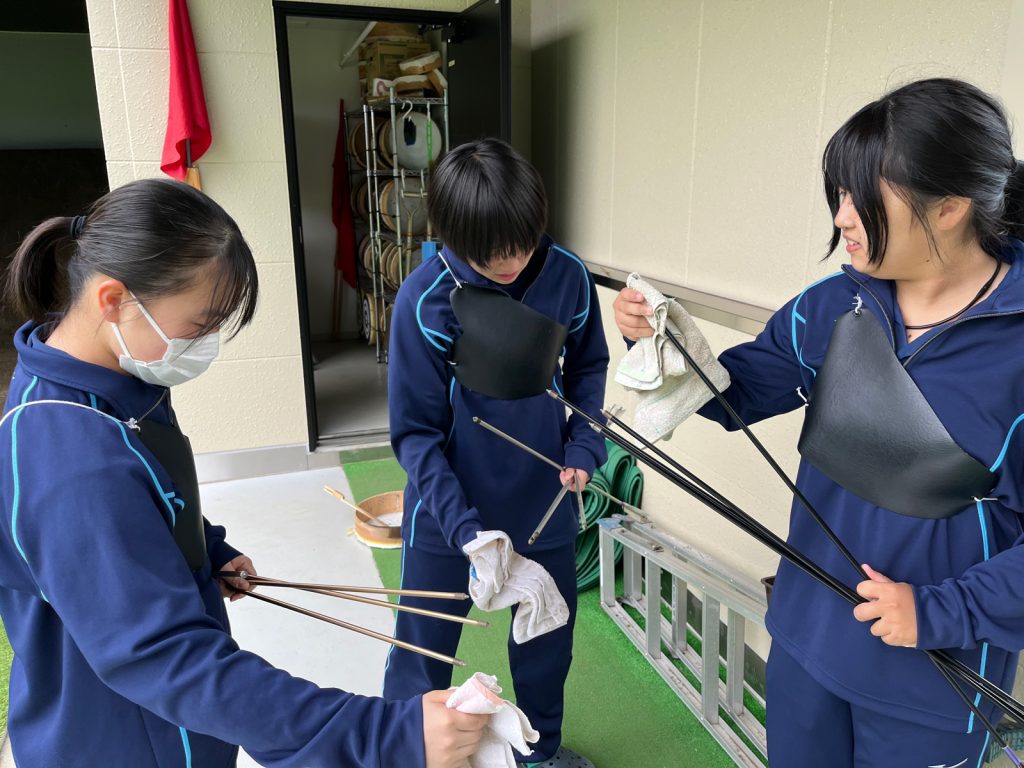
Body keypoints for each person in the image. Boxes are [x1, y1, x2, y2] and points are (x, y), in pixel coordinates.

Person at [0, 178, 488, 768]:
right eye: (200, 324)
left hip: (179, 731)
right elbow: (170, 659)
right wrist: (383, 734)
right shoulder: (68, 460)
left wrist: (205, 549)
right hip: (121, 743)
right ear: (114, 299)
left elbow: (148, 498)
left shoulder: (115, 379)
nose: (207, 344)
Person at [614, 78, 1024, 767]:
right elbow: (735, 395)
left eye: (863, 197)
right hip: (806, 642)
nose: (842, 217)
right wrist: (664, 350)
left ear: (950, 207)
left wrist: (937, 612)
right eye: (838, 194)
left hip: (932, 682)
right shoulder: (835, 303)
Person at [383, 138, 609, 768]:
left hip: (545, 501)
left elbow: (589, 367)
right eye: (488, 251)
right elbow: (416, 435)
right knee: (423, 652)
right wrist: (465, 532)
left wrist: (585, 444)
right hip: (447, 515)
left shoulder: (567, 275)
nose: (509, 261)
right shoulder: (425, 300)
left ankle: (540, 754)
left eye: (521, 243)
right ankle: (407, 755)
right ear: (452, 236)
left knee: (546, 646)